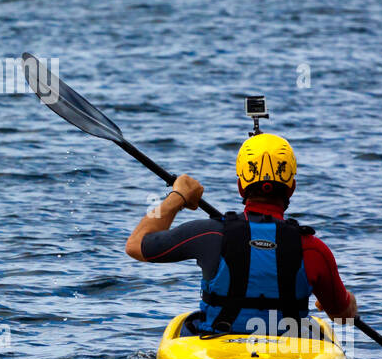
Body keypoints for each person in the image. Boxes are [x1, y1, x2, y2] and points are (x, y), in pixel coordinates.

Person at [124, 132, 356, 336]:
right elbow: (342, 315)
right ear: (292, 187)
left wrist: (177, 198)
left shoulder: (209, 234)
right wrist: (345, 302)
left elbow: (136, 244)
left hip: (218, 356)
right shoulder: (314, 248)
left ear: (240, 186)